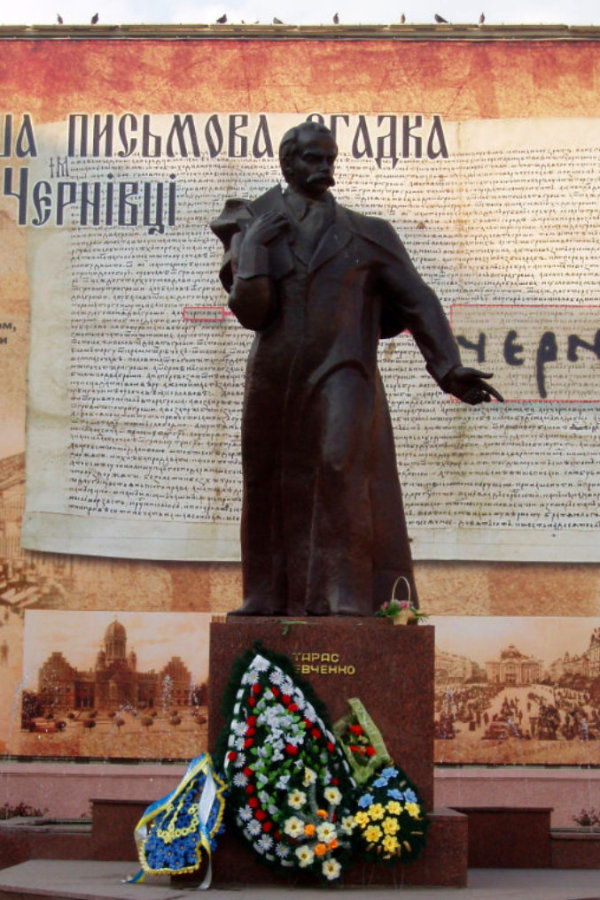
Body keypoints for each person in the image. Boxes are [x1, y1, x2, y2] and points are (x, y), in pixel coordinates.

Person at [211, 121, 502, 617]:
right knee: (264, 477)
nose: (325, 167)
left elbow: (418, 298)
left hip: (341, 369)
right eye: (312, 159)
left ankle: (342, 591)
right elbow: (252, 312)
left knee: (340, 464)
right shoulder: (253, 222)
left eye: (329, 158)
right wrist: (255, 246)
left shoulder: (367, 233)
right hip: (273, 377)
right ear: (287, 164)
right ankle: (264, 592)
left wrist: (448, 369)